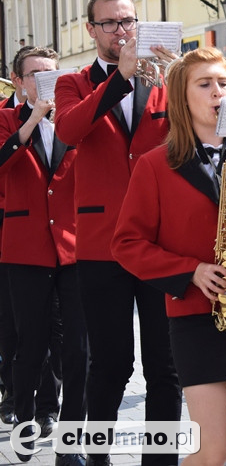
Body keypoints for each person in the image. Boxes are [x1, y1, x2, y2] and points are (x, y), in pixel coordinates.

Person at [112, 47, 226, 465]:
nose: (217, 92)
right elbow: (126, 243)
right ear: (181, 96)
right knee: (210, 449)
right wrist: (189, 272)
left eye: (223, 83)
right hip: (195, 311)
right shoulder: (156, 165)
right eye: (205, 84)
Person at [54, 0, 182, 466]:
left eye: (128, 21)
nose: (122, 31)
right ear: (92, 31)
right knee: (109, 363)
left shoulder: (165, 80)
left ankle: (161, 461)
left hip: (160, 240)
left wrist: (183, 80)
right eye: (110, 24)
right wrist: (120, 81)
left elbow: (192, 138)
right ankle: (97, 455)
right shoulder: (74, 82)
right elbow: (68, 131)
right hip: (100, 243)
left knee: (164, 365)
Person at [0, 47, 88, 466]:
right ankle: (23, 421)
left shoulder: (73, 120)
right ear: (18, 81)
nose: (45, 81)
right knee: (28, 344)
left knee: (75, 346)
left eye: (52, 74)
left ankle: (69, 430)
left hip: (74, 247)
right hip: (25, 248)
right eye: (35, 75)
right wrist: (34, 118)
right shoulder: (5, 119)